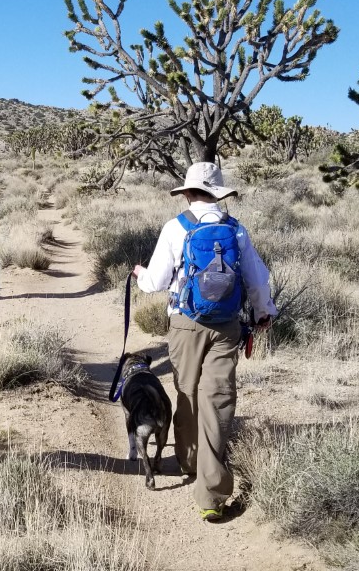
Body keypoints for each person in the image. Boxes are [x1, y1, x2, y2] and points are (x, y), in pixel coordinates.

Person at [132, 161, 277, 522]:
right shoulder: (236, 230)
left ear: (188, 192)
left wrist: (139, 275)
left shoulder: (175, 227)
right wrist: (263, 312)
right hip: (227, 326)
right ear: (217, 193)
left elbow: (155, 283)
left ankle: (189, 460)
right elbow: (257, 278)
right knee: (218, 400)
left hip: (185, 324)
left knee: (186, 392)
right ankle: (211, 496)